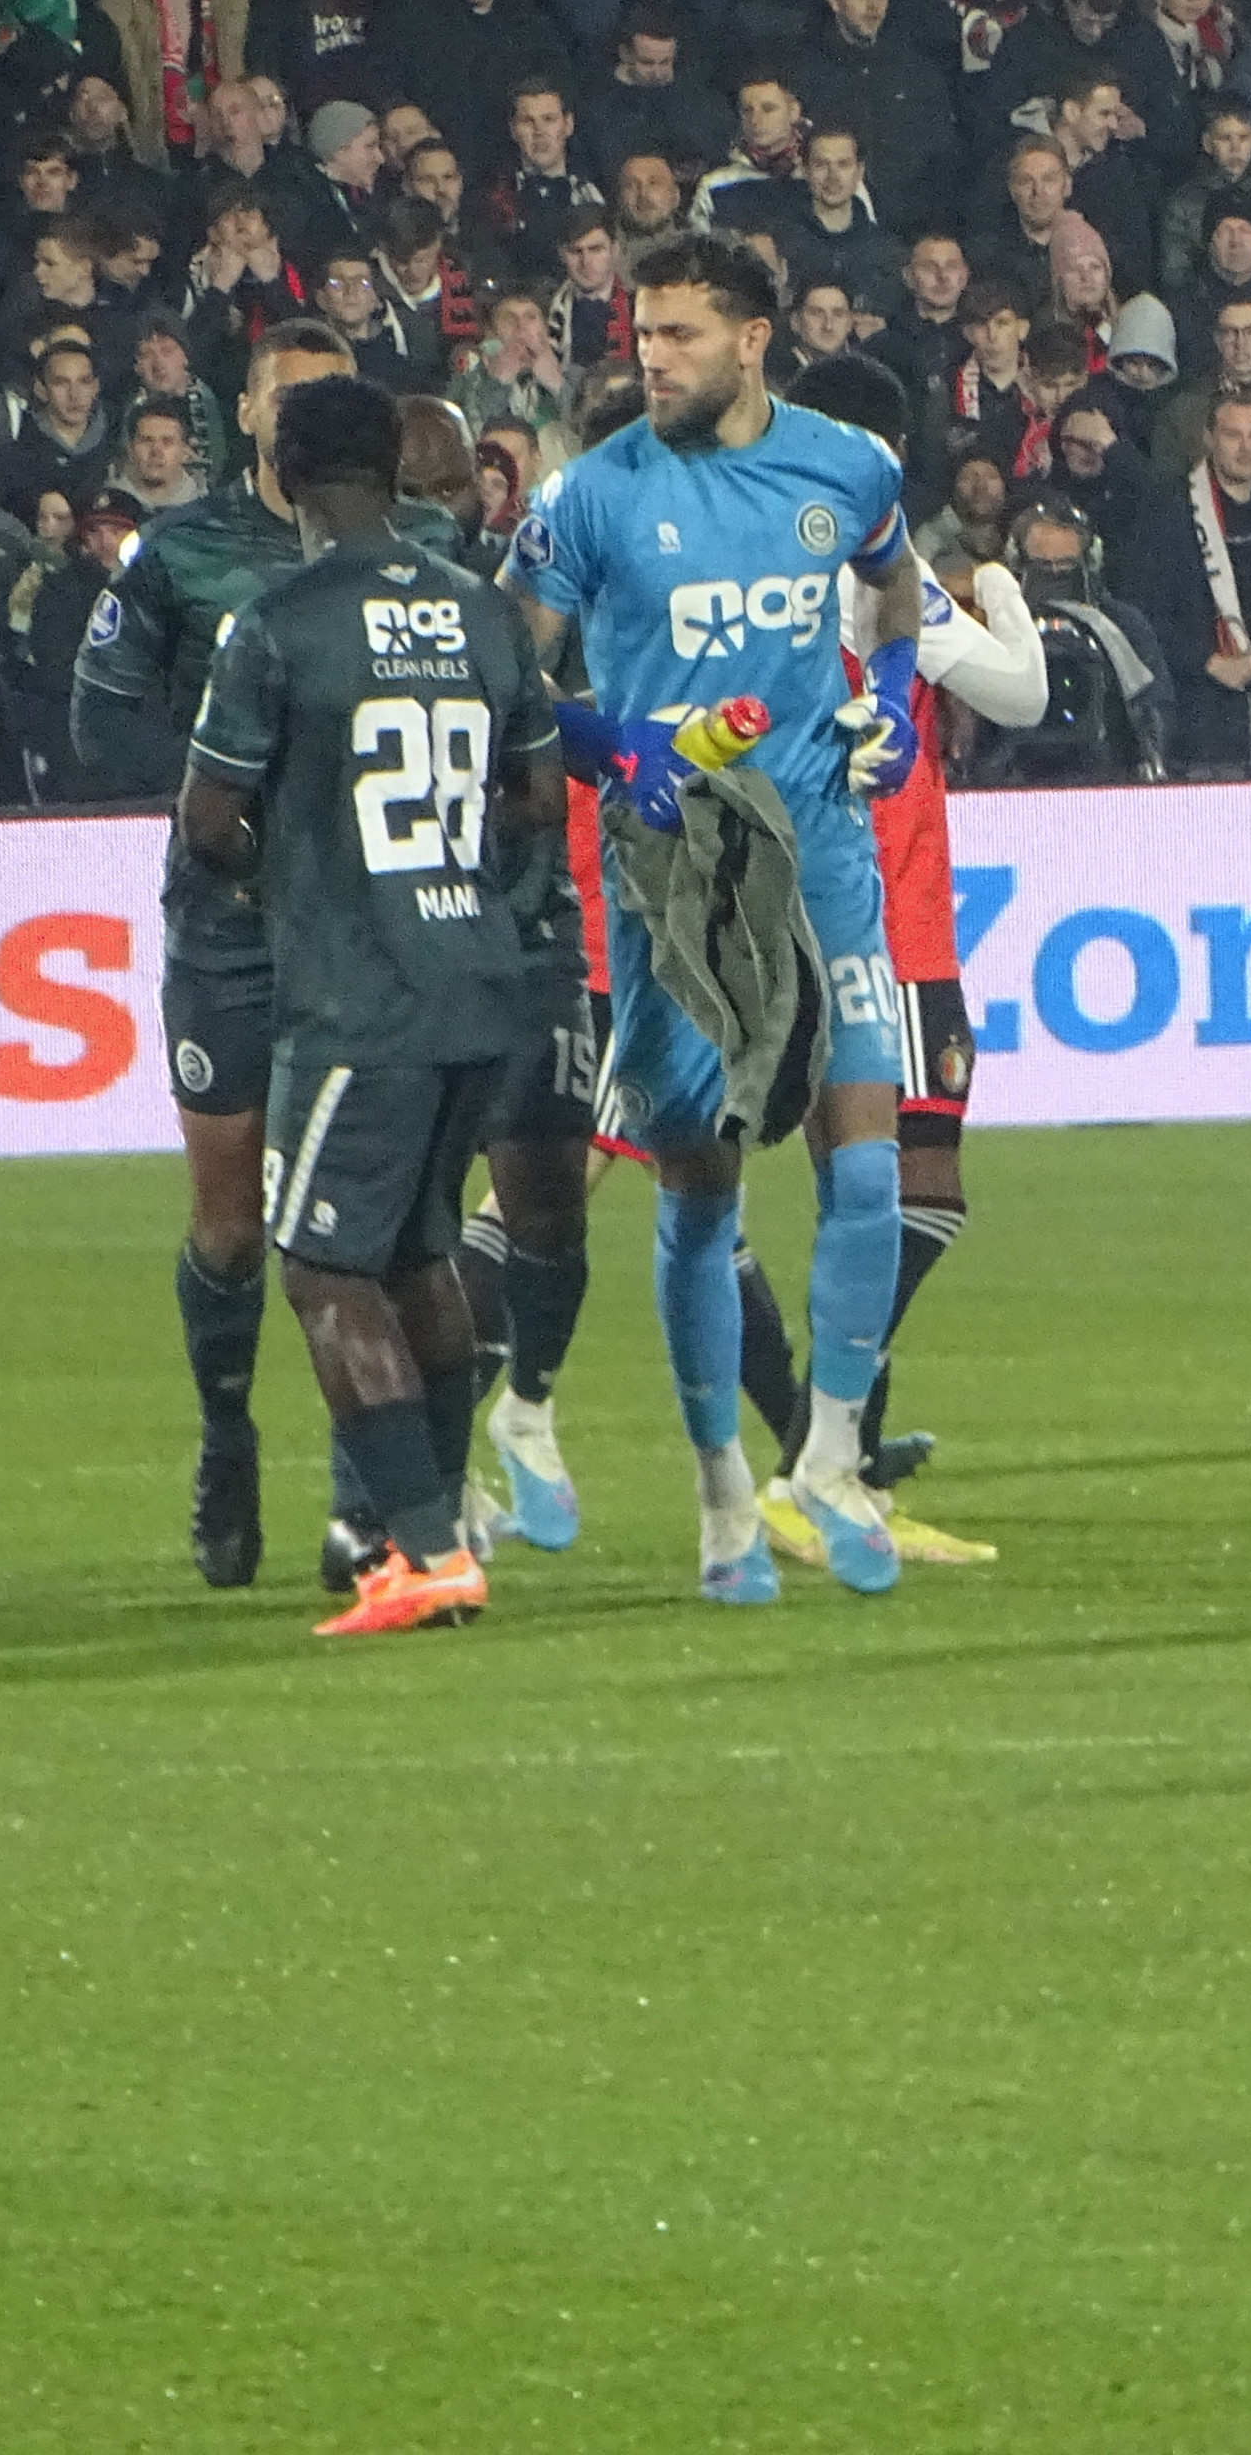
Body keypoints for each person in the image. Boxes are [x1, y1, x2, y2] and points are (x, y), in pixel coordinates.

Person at [505, 233, 927, 1607]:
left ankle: (831, 1460)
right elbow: (510, 678)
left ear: (754, 339)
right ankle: (721, 1493)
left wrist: (895, 701)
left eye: (680, 334)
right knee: (701, 1190)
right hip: (676, 883)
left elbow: (897, 588)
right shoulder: (591, 499)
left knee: (869, 1170)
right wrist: (615, 747)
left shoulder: (847, 467)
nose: (652, 355)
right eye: (643, 333)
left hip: (823, 856)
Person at [175, 375, 565, 1637]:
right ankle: (421, 1538)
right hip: (478, 975)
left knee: (323, 1266)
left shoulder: (280, 620)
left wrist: (297, 880)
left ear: (283, 475)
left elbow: (208, 821)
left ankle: (435, 1548)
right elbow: (537, 799)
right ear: (398, 473)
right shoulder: (480, 609)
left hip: (360, 991)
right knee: (419, 1255)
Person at [724, 353, 1053, 1573]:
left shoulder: (747, 567)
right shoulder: (883, 569)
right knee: (921, 1193)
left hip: (789, 901)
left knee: (831, 1186)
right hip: (886, 918)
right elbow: (1020, 693)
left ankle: (829, 1454)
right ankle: (820, 1450)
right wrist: (1008, 586)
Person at [67, 318, 364, 1586]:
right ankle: (228, 1435)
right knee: (232, 1221)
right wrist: (222, 791)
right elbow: (99, 725)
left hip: (360, 928)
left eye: (322, 405)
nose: (296, 424)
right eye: (280, 402)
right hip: (228, 928)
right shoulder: (180, 556)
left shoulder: (398, 558)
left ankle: (369, 1498)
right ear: (244, 416)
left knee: (354, 1218)